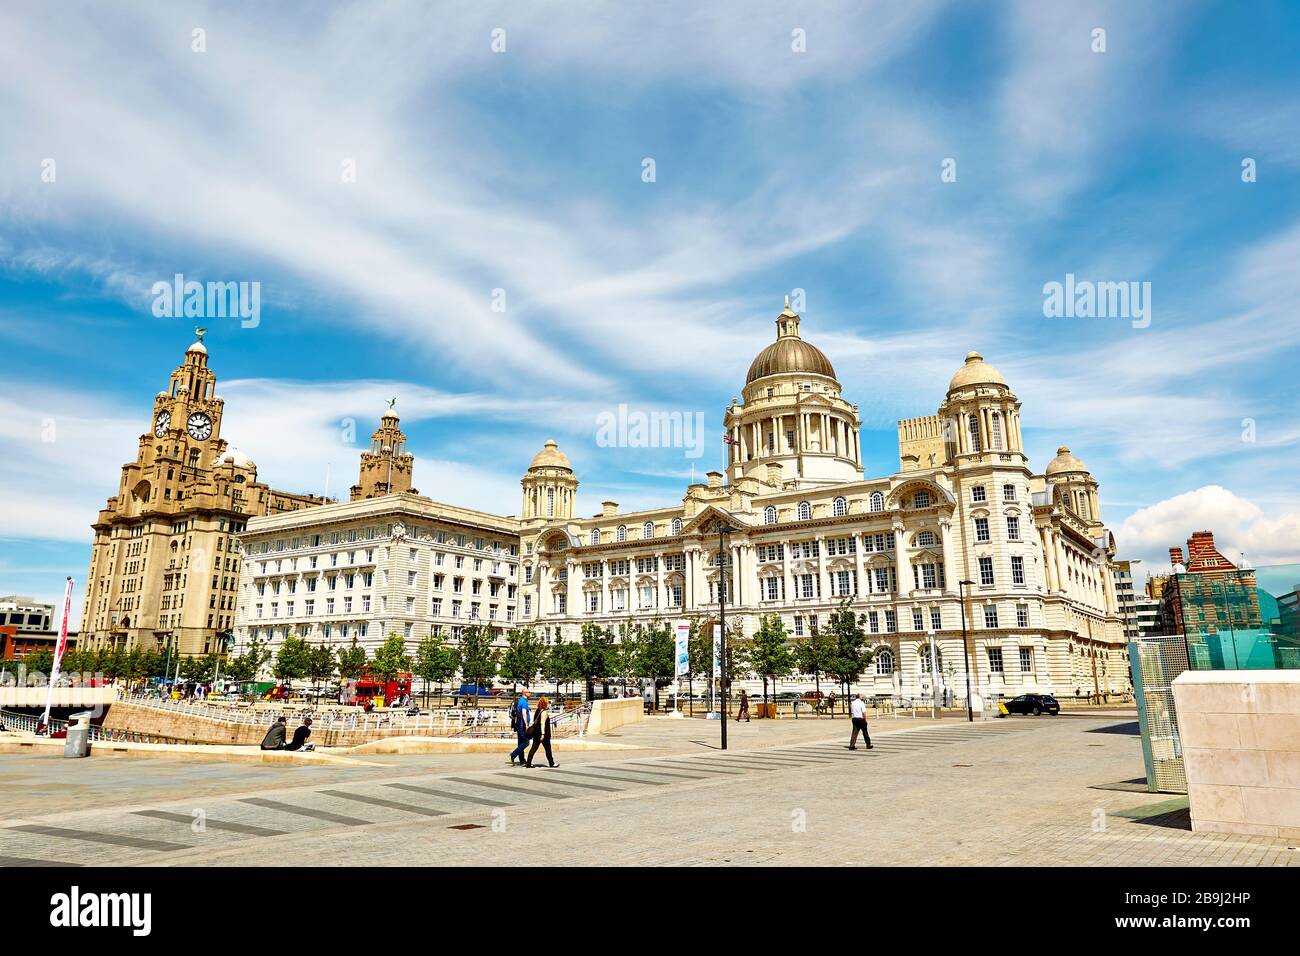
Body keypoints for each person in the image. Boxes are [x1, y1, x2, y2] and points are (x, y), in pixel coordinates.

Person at [525, 696, 558, 768]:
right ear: (545, 703)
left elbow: (535, 721)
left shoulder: (537, 710)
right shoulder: (544, 712)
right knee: (548, 748)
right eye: (548, 702)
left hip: (536, 732)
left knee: (533, 748)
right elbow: (542, 723)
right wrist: (543, 734)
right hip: (543, 733)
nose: (548, 704)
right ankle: (551, 763)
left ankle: (528, 763)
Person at [509, 690, 531, 766]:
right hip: (522, 725)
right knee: (526, 742)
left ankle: (522, 760)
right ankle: (514, 754)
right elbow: (524, 713)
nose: (530, 693)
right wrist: (526, 724)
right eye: (529, 692)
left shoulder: (520, 701)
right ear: (525, 693)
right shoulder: (524, 702)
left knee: (520, 742)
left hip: (518, 724)